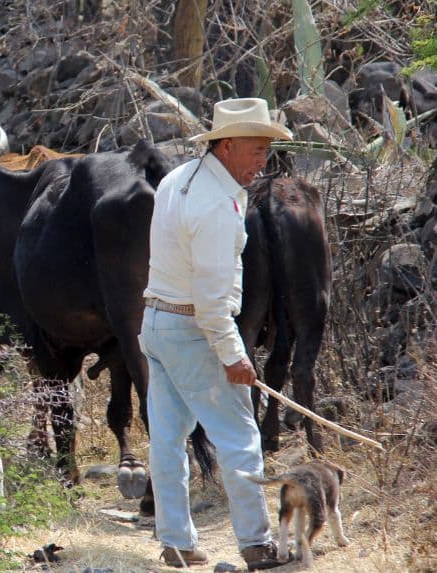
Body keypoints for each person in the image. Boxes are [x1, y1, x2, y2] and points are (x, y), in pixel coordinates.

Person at [138, 97, 293, 570]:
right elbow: (209, 303)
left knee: (167, 437)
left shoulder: (176, 180)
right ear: (225, 145)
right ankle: (257, 545)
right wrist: (233, 354)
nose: (262, 161)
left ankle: (176, 542)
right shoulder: (217, 208)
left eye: (266, 151)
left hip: (157, 322)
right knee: (239, 435)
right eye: (254, 150)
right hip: (193, 328)